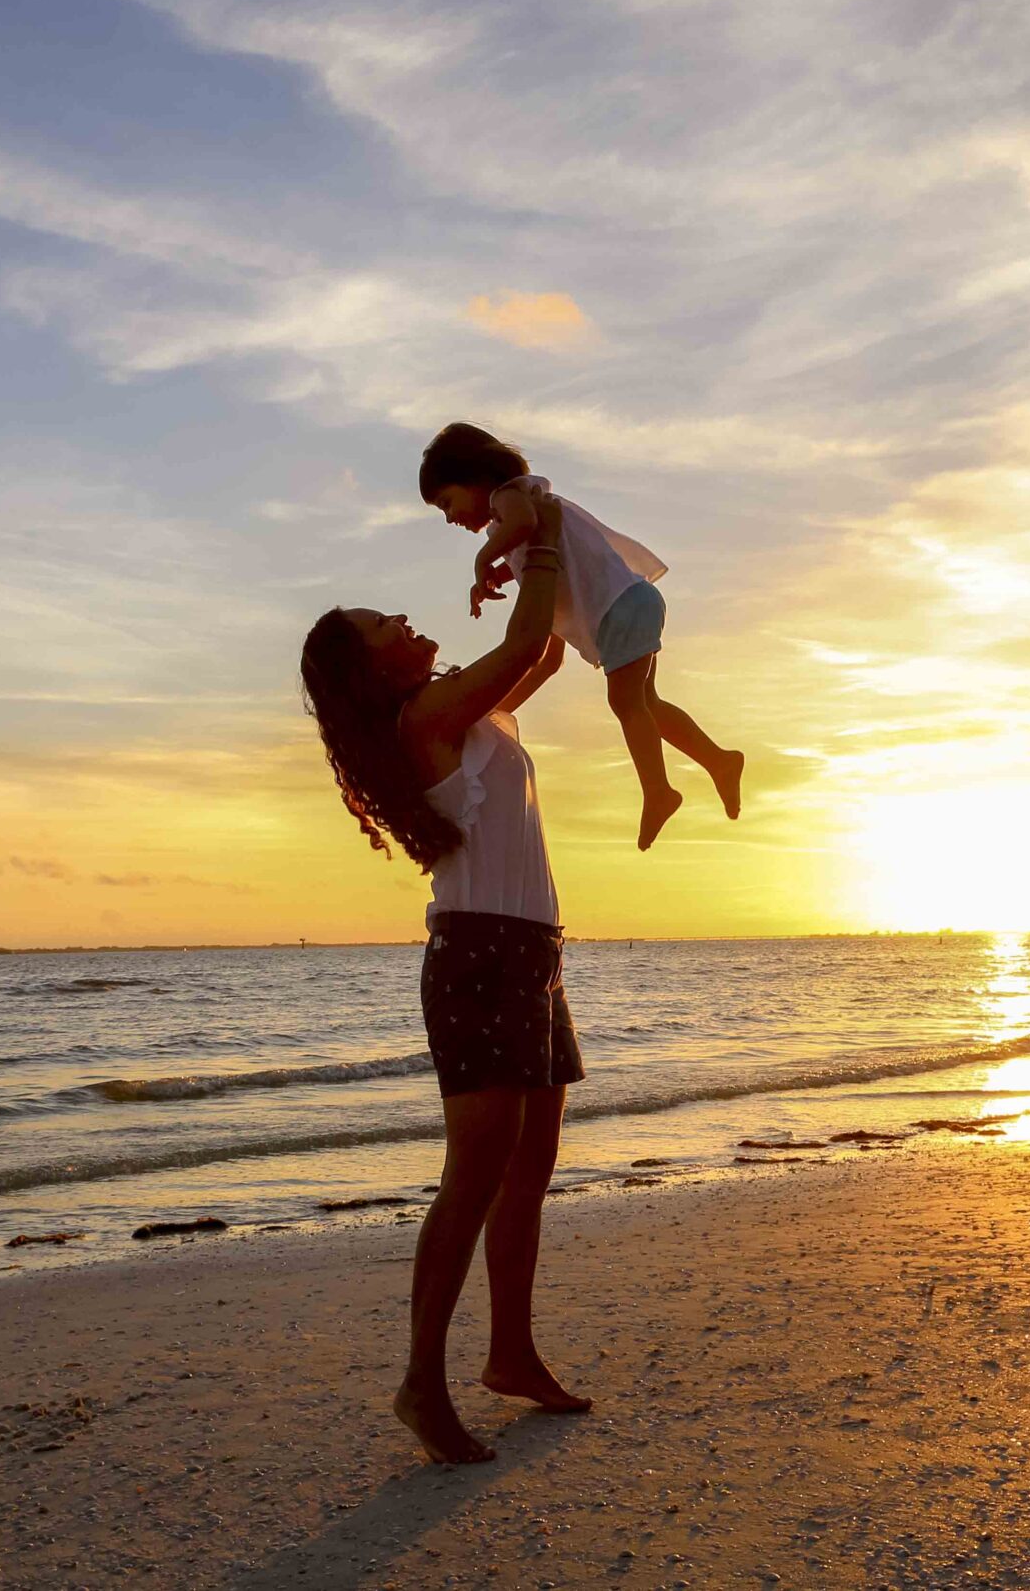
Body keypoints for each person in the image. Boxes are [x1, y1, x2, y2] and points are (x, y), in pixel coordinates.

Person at [299, 485, 590, 1465]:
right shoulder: (424, 717)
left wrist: (525, 560)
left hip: (535, 955)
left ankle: (509, 1354)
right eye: (388, 624)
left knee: (529, 1172)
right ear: (369, 665)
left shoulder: (469, 709)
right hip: (477, 960)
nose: (409, 623)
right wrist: (539, 536)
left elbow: (538, 651)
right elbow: (517, 650)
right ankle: (421, 1384)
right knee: (474, 1177)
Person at [418, 422, 743, 851]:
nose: (450, 517)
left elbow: (524, 523)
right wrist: (497, 571)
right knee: (646, 704)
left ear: (475, 477)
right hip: (630, 603)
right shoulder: (517, 523)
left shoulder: (511, 497)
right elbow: (542, 642)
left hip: (622, 606)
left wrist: (483, 559)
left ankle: (659, 791)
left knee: (626, 702)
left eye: (447, 501)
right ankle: (719, 761)